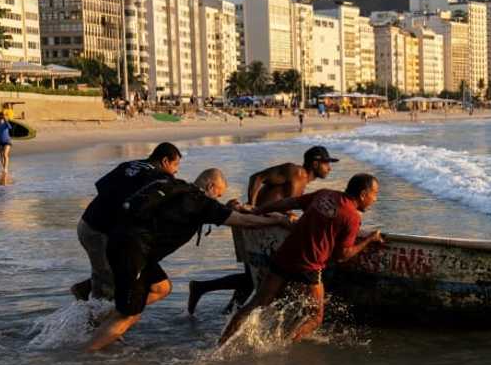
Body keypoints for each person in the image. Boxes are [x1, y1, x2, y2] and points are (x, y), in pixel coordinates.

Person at [87, 168, 290, 351]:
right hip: (133, 252)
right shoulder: (201, 204)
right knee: (130, 314)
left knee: (161, 288)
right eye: (218, 194)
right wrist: (277, 220)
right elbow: (244, 221)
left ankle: (102, 321)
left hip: (120, 240)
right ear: (210, 186)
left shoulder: (176, 186)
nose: (217, 199)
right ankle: (86, 355)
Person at [219, 173, 384, 346]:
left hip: (284, 255)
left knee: (258, 302)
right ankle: (283, 346)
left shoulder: (325, 194)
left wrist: (257, 210)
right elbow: (342, 256)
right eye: (374, 193)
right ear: (363, 194)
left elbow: (289, 203)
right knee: (315, 318)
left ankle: (222, 342)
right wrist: (369, 239)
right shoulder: (352, 217)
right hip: (309, 266)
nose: (375, 199)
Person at [186, 146, 338, 313]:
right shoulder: (294, 171)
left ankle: (223, 306)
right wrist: (252, 205)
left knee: (252, 279)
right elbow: (256, 177)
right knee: (257, 278)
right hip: (255, 224)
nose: (329, 168)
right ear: (315, 163)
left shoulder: (303, 182)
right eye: (326, 163)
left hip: (260, 225)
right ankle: (210, 295)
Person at [72, 143, 184, 301]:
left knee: (105, 276)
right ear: (165, 161)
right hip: (100, 232)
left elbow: (101, 186)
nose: (176, 170)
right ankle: (97, 322)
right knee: (109, 287)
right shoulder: (158, 177)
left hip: (86, 224)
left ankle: (85, 296)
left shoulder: (130, 165)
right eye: (176, 165)